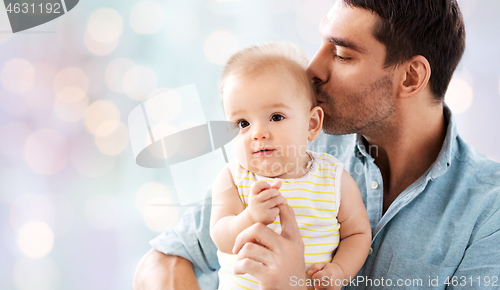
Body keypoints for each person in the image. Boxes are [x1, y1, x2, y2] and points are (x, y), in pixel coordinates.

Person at [133, 0, 500, 289]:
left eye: (341, 55)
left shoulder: (488, 211)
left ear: (411, 76)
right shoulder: (288, 144)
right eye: (321, 44)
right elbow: (161, 262)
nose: (312, 69)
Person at [210, 42, 371, 289]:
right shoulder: (233, 177)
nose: (258, 133)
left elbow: (357, 235)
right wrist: (250, 217)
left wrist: (339, 271)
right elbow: (220, 235)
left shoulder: (333, 179)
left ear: (311, 123)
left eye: (276, 117)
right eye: (242, 123)